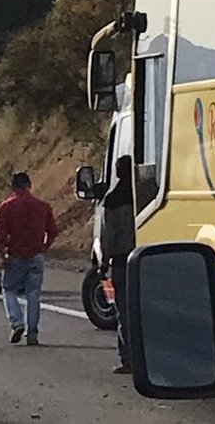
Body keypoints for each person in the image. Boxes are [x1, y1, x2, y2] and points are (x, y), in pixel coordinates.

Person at [0, 172, 57, 346]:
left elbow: (1, 236)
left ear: (13, 187)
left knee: (8, 289)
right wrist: (44, 248)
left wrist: (2, 256)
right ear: (29, 185)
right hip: (36, 255)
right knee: (33, 295)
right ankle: (33, 334)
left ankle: (17, 323)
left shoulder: (7, 206)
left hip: (15, 254)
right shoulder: (43, 206)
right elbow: (52, 233)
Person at [101, 155, 136, 374]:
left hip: (122, 262)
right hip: (146, 258)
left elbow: (108, 235)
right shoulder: (146, 194)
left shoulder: (112, 200)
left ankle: (128, 359)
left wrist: (104, 261)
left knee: (123, 311)